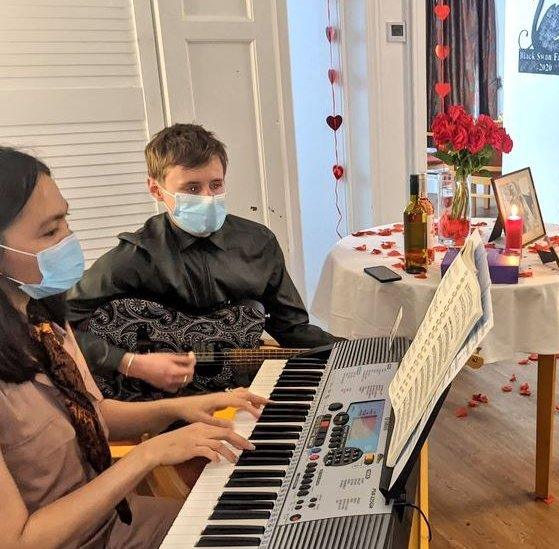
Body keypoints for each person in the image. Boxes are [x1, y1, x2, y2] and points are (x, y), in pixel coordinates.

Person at [0, 147, 266, 548]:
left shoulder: (44, 322)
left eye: (65, 220)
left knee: (258, 523)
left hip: (116, 521)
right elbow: (18, 540)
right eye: (50, 232)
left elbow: (96, 414)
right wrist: (148, 454)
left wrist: (181, 406)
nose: (69, 240)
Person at [67, 124, 338, 397]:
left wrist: (357, 349)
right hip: (158, 402)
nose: (207, 198)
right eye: (192, 188)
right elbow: (56, 323)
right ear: (156, 189)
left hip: (242, 390)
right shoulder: (133, 257)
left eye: (216, 185)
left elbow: (291, 328)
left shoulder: (259, 242)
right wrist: (129, 363)